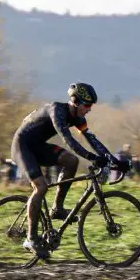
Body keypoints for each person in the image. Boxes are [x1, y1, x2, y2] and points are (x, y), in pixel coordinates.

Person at [11, 82, 127, 257]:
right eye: (87, 105)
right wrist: (92, 158)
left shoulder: (79, 119)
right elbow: (68, 140)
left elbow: (92, 140)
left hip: (38, 146)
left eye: (91, 106)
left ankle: (57, 208)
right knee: (41, 187)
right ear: (75, 101)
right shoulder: (56, 111)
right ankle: (31, 238)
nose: (89, 109)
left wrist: (115, 162)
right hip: (22, 146)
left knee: (71, 161)